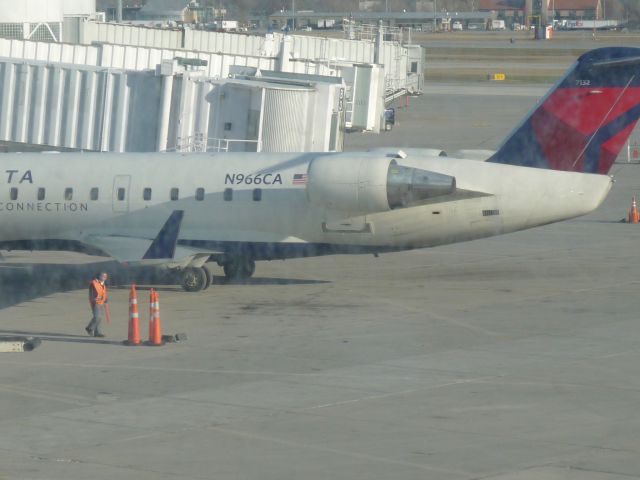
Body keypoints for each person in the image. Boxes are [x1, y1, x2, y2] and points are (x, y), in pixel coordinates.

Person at [86, 272, 108, 337]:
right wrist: (93, 299)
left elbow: (103, 292)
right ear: (99, 276)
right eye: (103, 276)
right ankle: (89, 328)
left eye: (105, 276)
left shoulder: (103, 284)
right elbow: (91, 293)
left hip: (101, 302)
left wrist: (106, 300)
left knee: (99, 318)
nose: (105, 278)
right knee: (97, 317)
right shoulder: (94, 283)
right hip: (95, 302)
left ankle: (97, 332)